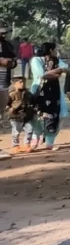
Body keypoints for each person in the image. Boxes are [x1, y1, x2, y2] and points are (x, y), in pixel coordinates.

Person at [30, 43, 68, 152]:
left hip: (54, 92)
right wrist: (57, 72)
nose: (57, 52)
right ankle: (35, 137)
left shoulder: (56, 60)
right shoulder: (36, 60)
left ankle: (50, 141)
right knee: (36, 115)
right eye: (55, 50)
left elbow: (66, 68)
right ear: (51, 50)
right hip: (39, 91)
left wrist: (51, 73)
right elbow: (41, 74)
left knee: (60, 115)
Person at [6, 77, 36, 153]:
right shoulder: (11, 94)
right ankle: (15, 145)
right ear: (14, 84)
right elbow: (6, 104)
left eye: (23, 82)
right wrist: (10, 109)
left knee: (29, 129)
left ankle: (26, 144)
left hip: (26, 116)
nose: (22, 84)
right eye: (20, 82)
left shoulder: (28, 93)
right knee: (16, 132)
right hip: (15, 116)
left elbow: (33, 102)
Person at [0, 25, 14, 160]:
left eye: (5, 33)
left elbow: (12, 61)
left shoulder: (7, 46)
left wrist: (11, 63)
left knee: (0, 115)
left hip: (3, 83)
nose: (3, 35)